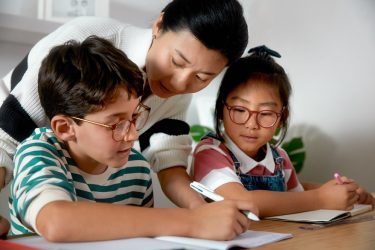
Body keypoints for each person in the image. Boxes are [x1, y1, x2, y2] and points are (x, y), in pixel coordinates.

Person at [0, 0, 248, 211]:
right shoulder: (85, 40)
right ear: (159, 26)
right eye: (177, 61)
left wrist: (203, 212)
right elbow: (7, 135)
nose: (180, 83)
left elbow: (169, 162)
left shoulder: (177, 96)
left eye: (202, 77)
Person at [9, 36, 255, 242]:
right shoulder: (38, 152)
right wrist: (193, 221)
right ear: (65, 128)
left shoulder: (136, 168)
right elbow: (56, 221)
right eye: (115, 123)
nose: (133, 134)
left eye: (135, 117)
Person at [191, 45, 374, 218]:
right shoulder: (210, 153)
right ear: (221, 109)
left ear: (282, 117)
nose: (252, 124)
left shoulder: (280, 159)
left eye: (266, 113)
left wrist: (346, 194)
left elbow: (295, 194)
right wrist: (321, 198)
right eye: (239, 110)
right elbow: (241, 201)